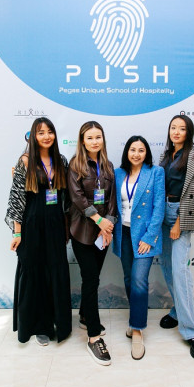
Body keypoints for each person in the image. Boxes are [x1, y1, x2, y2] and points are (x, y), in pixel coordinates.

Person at [5, 117, 72, 346]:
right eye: (41, 132)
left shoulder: (61, 160)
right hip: (31, 225)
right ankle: (39, 326)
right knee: (35, 275)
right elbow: (16, 199)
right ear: (34, 136)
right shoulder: (25, 161)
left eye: (50, 131)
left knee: (55, 272)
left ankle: (59, 323)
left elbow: (66, 197)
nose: (46, 136)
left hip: (55, 225)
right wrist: (17, 233)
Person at [159, 114, 194, 361]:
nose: (176, 132)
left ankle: (193, 333)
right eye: (173, 128)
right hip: (163, 213)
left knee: (180, 271)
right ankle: (177, 311)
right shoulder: (166, 155)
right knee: (168, 269)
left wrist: (179, 223)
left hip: (182, 214)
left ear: (189, 132)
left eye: (181, 128)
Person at [68, 121, 117, 366]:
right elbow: (77, 198)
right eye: (90, 138)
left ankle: (85, 316)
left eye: (98, 137)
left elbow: (112, 200)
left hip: (103, 233)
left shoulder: (108, 165)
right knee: (90, 280)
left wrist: (109, 226)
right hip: (82, 231)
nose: (94, 141)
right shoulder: (75, 165)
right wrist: (99, 220)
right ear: (82, 141)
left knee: (93, 278)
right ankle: (93, 337)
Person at [112, 135, 165, 360]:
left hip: (144, 236)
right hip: (123, 233)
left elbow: (159, 206)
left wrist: (149, 237)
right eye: (132, 150)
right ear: (127, 152)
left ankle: (137, 330)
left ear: (146, 153)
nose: (136, 154)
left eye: (141, 150)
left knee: (139, 280)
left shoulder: (155, 172)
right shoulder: (117, 173)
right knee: (128, 278)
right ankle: (135, 317)